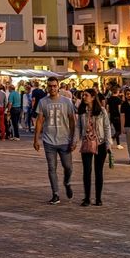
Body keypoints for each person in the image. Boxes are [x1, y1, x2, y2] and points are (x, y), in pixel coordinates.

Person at [33, 77, 77, 205]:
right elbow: (40, 121)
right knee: (52, 168)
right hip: (49, 140)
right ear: (47, 87)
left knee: (68, 167)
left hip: (64, 140)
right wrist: (36, 139)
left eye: (54, 86)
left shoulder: (67, 102)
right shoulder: (43, 102)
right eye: (50, 86)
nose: (52, 88)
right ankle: (55, 194)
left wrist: (73, 139)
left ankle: (67, 182)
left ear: (58, 87)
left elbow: (72, 121)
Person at [77, 89, 112, 206]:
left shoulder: (101, 111)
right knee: (86, 171)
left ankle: (98, 198)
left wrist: (108, 144)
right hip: (87, 142)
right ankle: (87, 198)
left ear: (92, 97)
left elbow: (107, 127)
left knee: (98, 171)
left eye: (86, 95)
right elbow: (78, 127)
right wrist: (75, 141)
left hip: (100, 143)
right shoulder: (82, 111)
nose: (83, 97)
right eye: (83, 95)